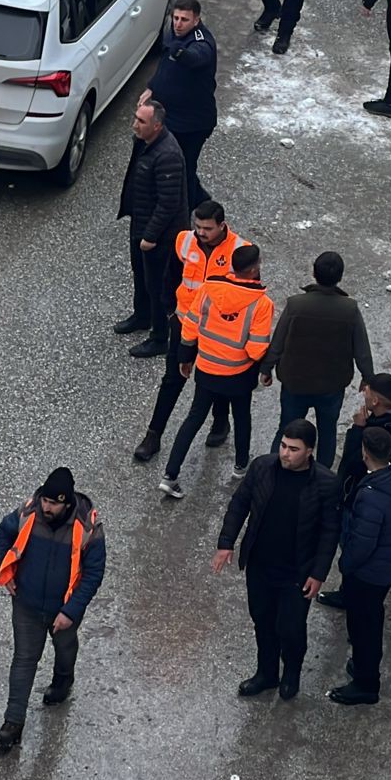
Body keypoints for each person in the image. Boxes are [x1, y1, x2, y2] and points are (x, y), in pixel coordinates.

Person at [214, 420, 340, 701]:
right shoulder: (262, 468)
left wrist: (318, 573)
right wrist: (226, 543)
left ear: (309, 451)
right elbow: (239, 504)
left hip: (297, 571)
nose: (285, 453)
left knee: (292, 629)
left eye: (293, 449)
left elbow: (330, 533)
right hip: (260, 565)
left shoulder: (326, 483)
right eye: (283, 446)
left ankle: (291, 674)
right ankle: (266, 673)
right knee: (262, 620)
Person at [0, 469, 106, 754]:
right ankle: (12, 724)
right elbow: (4, 533)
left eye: (53, 504)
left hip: (64, 609)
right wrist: (4, 573)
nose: (46, 507)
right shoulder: (28, 514)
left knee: (65, 648)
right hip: (27, 604)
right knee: (24, 659)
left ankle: (63, 680)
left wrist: (70, 611)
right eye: (45, 500)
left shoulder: (88, 527)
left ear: (66, 504)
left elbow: (94, 573)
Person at [132, 200, 250, 466]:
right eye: (197, 226)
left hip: (217, 333)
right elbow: (171, 276)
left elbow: (246, 294)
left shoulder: (240, 250)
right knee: (172, 379)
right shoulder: (184, 241)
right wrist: (170, 310)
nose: (201, 233)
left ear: (222, 225)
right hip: (185, 323)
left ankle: (220, 423)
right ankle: (153, 435)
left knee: (216, 382)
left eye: (207, 228)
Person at [158, 241, 275, 497]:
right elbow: (256, 349)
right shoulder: (261, 304)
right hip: (238, 374)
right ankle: (240, 467)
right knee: (242, 417)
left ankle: (170, 474)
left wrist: (185, 357)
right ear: (255, 269)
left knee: (193, 419)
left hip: (207, 369)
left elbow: (190, 326)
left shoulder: (209, 289)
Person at [325, 426, 391, 705]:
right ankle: (364, 668)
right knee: (369, 620)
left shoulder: (372, 496)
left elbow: (362, 544)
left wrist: (346, 564)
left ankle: (366, 684)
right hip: (387, 565)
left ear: (365, 453)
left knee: (365, 626)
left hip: (368, 573)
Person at [258, 249, 374, 467]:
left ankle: (274, 470)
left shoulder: (296, 305)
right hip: (331, 385)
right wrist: (368, 377)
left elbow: (279, 340)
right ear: (340, 276)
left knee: (287, 428)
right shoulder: (349, 309)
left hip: (295, 383)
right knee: (327, 432)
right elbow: (362, 348)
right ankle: (322, 476)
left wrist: (267, 367)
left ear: (314, 272)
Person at [115, 97, 188, 356]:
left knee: (157, 285)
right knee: (141, 275)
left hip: (158, 235)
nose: (135, 124)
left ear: (156, 126)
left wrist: (150, 235)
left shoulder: (167, 154)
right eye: (136, 118)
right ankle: (142, 316)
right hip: (142, 223)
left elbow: (169, 203)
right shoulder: (146, 143)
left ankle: (159, 337)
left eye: (141, 121)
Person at [140, 0, 217, 205]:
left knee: (183, 169)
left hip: (192, 124)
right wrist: (152, 87)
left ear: (196, 20)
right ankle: (199, 200)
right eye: (176, 18)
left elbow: (197, 57)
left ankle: (190, 211)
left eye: (184, 19)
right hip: (173, 117)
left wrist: (180, 51)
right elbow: (166, 67)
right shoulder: (174, 34)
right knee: (177, 165)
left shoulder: (201, 42)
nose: (178, 24)